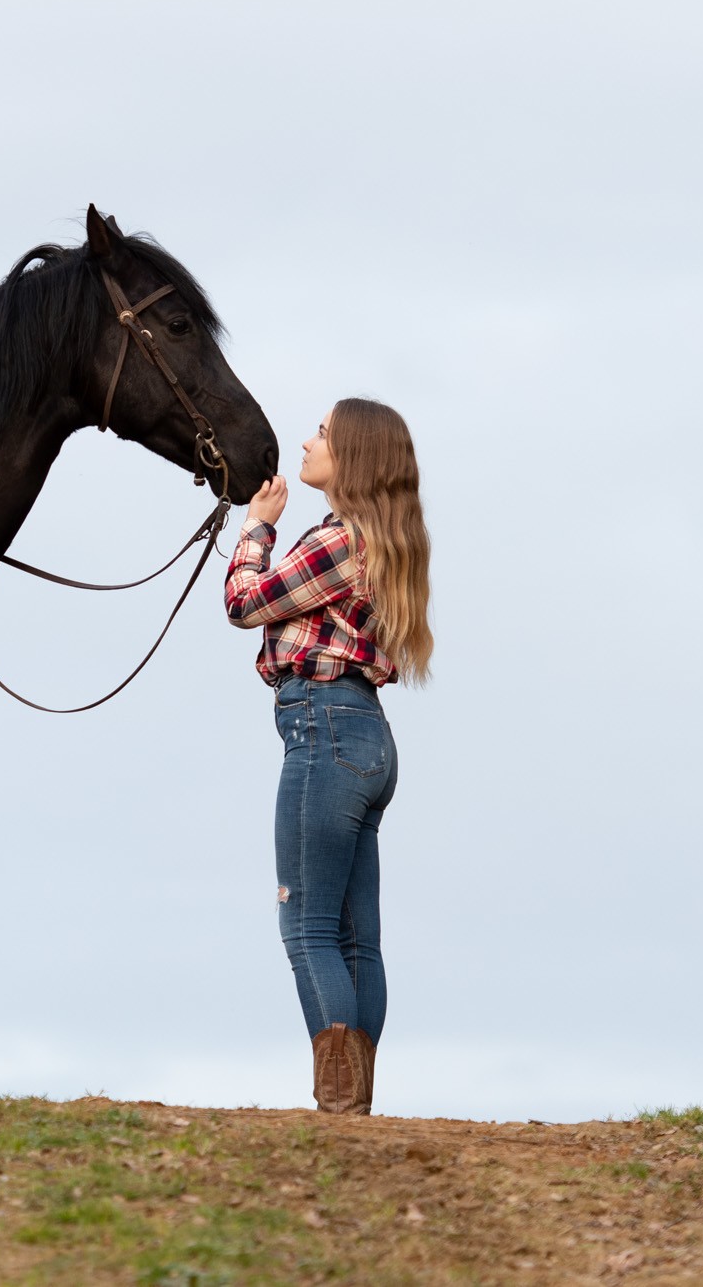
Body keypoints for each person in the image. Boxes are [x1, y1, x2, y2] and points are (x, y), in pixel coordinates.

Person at [224, 398, 433, 1115]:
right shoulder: (387, 541)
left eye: (321, 433)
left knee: (307, 923)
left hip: (323, 727)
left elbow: (245, 602)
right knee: (357, 937)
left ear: (352, 457)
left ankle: (339, 1105)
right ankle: (357, 1100)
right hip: (367, 735)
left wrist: (255, 527)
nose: (307, 441)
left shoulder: (335, 541)